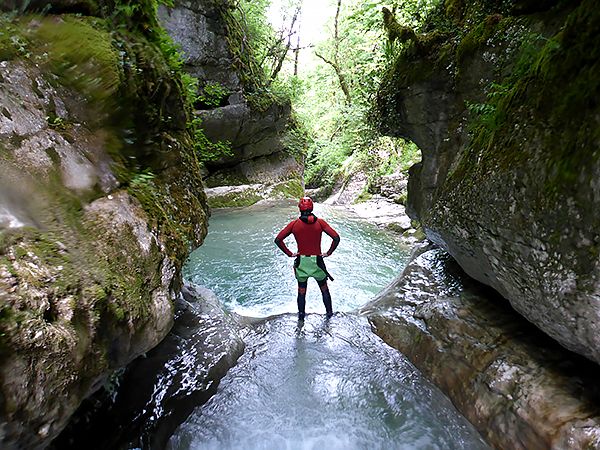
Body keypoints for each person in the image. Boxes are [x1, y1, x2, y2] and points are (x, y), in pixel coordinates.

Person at [274, 197, 340, 320]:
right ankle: (329, 314)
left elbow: (278, 240)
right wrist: (328, 252)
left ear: (300, 208)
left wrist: (289, 253)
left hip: (301, 263)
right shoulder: (320, 223)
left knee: (301, 291)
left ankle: (301, 317)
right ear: (312, 208)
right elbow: (336, 238)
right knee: (324, 289)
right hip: (317, 262)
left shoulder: (294, 224)